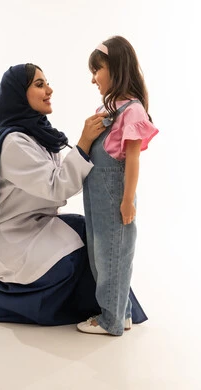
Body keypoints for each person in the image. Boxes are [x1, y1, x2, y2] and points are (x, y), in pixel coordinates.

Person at [0, 62, 147, 327]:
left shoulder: (38, 135)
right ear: (18, 95)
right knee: (73, 261)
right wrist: (85, 143)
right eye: (39, 85)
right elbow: (56, 187)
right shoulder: (13, 142)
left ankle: (120, 310)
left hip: (31, 225)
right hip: (2, 238)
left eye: (47, 83)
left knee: (96, 232)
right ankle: (106, 313)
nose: (49, 89)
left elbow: (62, 178)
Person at [77, 36, 158, 335]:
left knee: (113, 256)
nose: (94, 79)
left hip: (115, 197)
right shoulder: (109, 108)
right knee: (100, 255)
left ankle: (110, 321)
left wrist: (127, 201)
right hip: (96, 197)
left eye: (97, 70)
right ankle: (121, 313)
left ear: (116, 67)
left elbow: (133, 160)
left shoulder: (132, 111)